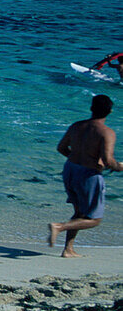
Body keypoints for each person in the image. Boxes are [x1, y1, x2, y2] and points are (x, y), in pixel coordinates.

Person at [50, 94, 122, 257]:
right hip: (88, 175)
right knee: (94, 219)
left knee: (79, 212)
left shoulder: (76, 126)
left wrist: (77, 159)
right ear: (110, 111)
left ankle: (68, 249)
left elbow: (61, 148)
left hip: (70, 169)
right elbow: (108, 161)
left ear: (91, 108)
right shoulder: (106, 133)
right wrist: (120, 167)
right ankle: (59, 227)